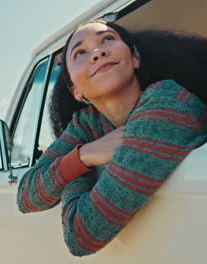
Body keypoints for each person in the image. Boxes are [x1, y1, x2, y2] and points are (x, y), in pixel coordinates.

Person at [16, 18, 207, 257]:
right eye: (80, 53)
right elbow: (25, 195)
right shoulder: (86, 123)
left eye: (108, 39)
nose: (97, 52)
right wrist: (84, 156)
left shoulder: (168, 104)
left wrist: (70, 171)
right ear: (77, 91)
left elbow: (81, 235)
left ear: (134, 58)